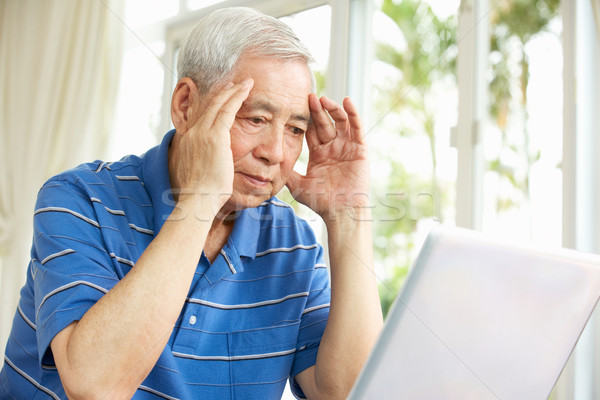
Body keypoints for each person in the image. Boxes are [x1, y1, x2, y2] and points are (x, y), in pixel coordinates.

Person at [0, 7, 382, 399]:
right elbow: (96, 385)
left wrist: (348, 217)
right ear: (185, 106)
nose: (275, 152)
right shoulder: (78, 199)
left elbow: (349, 393)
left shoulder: (294, 244)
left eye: (295, 129)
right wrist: (201, 200)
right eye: (255, 119)